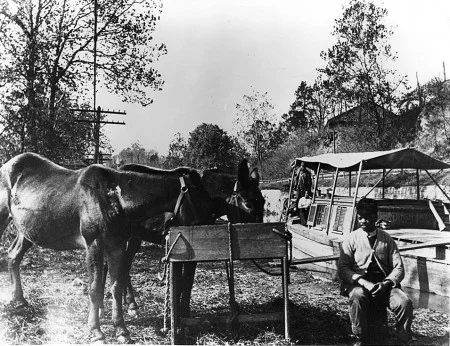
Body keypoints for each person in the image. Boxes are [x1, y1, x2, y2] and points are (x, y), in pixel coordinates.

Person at [338, 198, 413, 346]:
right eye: (360, 217)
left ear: (375, 217)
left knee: (404, 302)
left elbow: (399, 268)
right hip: (359, 284)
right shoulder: (351, 239)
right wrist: (362, 281)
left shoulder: (387, 239)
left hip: (384, 285)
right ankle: (359, 336)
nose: (363, 221)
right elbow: (343, 269)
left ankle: (403, 338)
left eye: (367, 217)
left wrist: (386, 283)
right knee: (358, 296)